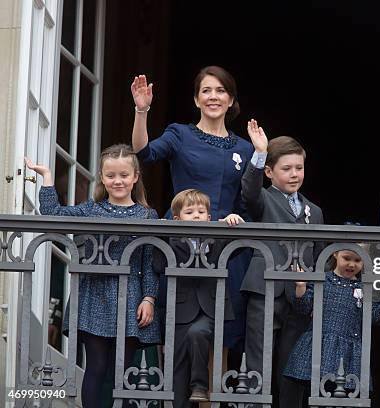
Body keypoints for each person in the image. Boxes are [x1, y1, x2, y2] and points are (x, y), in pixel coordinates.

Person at [25, 144, 160, 408]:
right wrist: (48, 178)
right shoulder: (91, 208)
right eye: (110, 176)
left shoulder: (147, 215)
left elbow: (149, 261)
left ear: (135, 177)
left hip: (130, 297)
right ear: (102, 177)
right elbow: (53, 215)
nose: (117, 181)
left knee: (121, 369)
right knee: (96, 366)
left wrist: (149, 299)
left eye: (123, 175)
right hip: (93, 295)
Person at [130, 66, 254, 350]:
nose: (213, 97)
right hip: (181, 243)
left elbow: (248, 202)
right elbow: (143, 153)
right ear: (196, 100)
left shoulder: (245, 149)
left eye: (221, 91)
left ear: (231, 100)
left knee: (222, 335)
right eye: (206, 91)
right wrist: (141, 111)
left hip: (226, 247)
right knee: (177, 329)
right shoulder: (180, 134)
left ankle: (213, 395)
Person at [241, 122, 324, 406]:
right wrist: (260, 152)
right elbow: (249, 191)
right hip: (265, 289)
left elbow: (320, 256)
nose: (294, 174)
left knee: (293, 368)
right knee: (258, 363)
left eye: (298, 168)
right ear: (269, 172)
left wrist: (314, 298)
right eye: (286, 169)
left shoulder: (316, 210)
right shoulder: (263, 198)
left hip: (300, 299)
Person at [153, 189, 243, 405]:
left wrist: (234, 223)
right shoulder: (170, 242)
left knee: (198, 332)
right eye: (189, 212)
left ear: (209, 217)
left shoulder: (217, 240)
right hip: (180, 310)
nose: (196, 216)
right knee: (178, 369)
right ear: (176, 219)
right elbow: (157, 263)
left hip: (211, 308)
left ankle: (201, 385)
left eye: (201, 212)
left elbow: (241, 246)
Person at [283, 250, 380, 392]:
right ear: (335, 254)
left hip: (348, 354)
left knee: (342, 397)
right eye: (346, 258)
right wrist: (301, 287)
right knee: (315, 393)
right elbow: (303, 308)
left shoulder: (365, 288)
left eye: (357, 260)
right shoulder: (322, 279)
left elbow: (376, 317)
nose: (351, 264)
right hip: (320, 348)